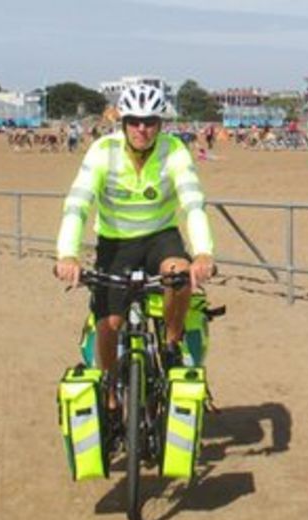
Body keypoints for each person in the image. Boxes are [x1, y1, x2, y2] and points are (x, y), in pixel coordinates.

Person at [53, 83, 215, 412]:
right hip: (115, 242)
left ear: (160, 123)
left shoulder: (174, 150)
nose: (142, 129)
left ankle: (171, 345)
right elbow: (78, 203)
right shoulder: (102, 151)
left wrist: (202, 253)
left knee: (180, 275)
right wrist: (67, 255)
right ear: (123, 122)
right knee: (109, 324)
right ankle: (111, 386)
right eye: (135, 121)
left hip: (160, 236)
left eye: (150, 121)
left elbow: (193, 203)